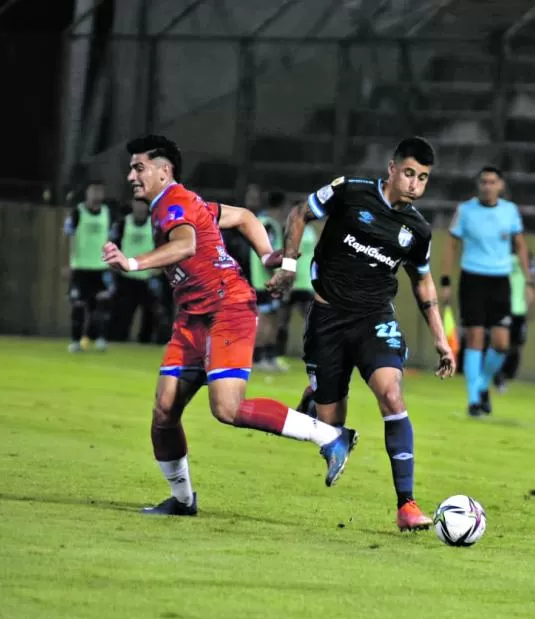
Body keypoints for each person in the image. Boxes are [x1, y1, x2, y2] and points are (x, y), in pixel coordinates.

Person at [103, 135, 356, 517]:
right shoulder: (185, 202)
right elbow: (243, 217)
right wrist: (268, 253)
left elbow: (186, 245)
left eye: (138, 167)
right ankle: (184, 501)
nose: (131, 176)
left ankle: (331, 436)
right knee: (163, 412)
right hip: (193, 316)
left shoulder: (173, 202)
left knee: (227, 408)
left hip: (227, 307)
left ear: (163, 170)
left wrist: (133, 264)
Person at [267, 137, 456, 531]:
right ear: (391, 168)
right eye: (408, 173)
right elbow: (300, 213)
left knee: (391, 392)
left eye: (422, 178)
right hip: (327, 318)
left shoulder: (417, 230)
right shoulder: (349, 192)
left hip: (374, 319)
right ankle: (317, 401)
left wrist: (441, 338)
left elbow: (422, 281)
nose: (414, 184)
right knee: (332, 431)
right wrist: (288, 264)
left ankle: (407, 506)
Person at [442, 166, 532, 417]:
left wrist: (529, 282)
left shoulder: (510, 212)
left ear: (500, 185)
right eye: (483, 182)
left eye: (492, 182)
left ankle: (482, 385)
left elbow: (521, 246)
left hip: (500, 281)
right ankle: (473, 399)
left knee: (502, 343)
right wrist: (446, 281)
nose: (487, 186)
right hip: (472, 278)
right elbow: (450, 244)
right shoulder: (465, 210)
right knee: (475, 338)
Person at [63, 180, 115, 352]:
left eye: (99, 191)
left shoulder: (107, 213)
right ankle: (75, 341)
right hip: (80, 267)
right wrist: (67, 263)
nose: (96, 195)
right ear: (87, 193)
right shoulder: (78, 212)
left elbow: (111, 238)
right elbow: (67, 237)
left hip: (100, 267)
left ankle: (100, 339)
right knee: (78, 305)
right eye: (93, 191)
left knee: (100, 305)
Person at [109, 199, 161, 344]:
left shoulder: (155, 225)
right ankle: (118, 344)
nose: (140, 207)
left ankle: (145, 345)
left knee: (150, 317)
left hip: (148, 278)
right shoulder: (122, 224)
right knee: (122, 316)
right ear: (132, 204)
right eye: (138, 203)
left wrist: (159, 270)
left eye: (144, 204)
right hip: (126, 278)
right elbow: (113, 247)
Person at [275, 201, 319, 367]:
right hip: (290, 282)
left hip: (306, 283)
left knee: (312, 320)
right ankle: (277, 354)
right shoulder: (289, 231)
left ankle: (314, 353)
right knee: (282, 320)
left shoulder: (311, 231)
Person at [249, 191, 286, 372]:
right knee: (265, 320)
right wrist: (278, 277)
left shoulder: (259, 222)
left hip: (262, 281)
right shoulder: (268, 225)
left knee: (271, 319)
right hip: (267, 281)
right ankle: (259, 358)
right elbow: (268, 255)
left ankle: (269, 357)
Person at [494, 250, 535, 393]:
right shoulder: (505, 258)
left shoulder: (529, 259)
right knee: (502, 345)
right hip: (505, 307)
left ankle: (504, 375)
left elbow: (532, 284)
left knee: (515, 346)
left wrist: (529, 306)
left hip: (519, 310)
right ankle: (498, 375)